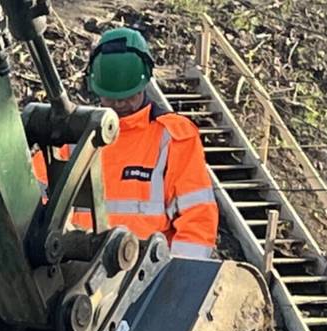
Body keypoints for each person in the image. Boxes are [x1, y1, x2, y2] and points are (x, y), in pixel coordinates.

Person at [34, 27, 220, 260]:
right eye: (111, 97)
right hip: (76, 270)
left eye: (128, 96)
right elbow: (34, 193)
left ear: (144, 84)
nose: (120, 104)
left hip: (147, 279)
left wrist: (176, 280)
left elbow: (198, 218)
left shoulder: (173, 136)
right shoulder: (74, 134)